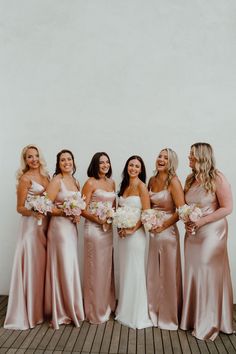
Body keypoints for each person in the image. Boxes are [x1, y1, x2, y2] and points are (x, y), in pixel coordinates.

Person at [180, 142, 234, 341]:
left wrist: (201, 221)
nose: (188, 158)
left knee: (207, 273)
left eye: (191, 155)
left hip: (212, 232)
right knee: (195, 273)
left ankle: (209, 323)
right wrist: (187, 221)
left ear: (201, 157)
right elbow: (188, 206)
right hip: (193, 233)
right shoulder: (190, 179)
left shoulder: (217, 177)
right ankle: (193, 318)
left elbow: (227, 208)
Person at [4, 145, 49, 330]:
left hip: (45, 226)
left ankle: (38, 310)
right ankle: (27, 312)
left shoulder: (47, 177)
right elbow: (20, 207)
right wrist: (34, 211)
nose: (34, 159)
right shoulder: (25, 179)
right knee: (30, 265)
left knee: (40, 266)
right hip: (30, 228)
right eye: (30, 157)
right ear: (25, 160)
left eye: (36, 156)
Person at [44, 149, 84, 329]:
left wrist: (77, 215)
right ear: (58, 164)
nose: (67, 162)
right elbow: (45, 206)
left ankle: (71, 307)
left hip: (71, 229)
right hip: (59, 229)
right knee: (63, 267)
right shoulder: (56, 180)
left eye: (69, 159)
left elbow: (79, 206)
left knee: (70, 266)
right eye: (63, 160)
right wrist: (66, 211)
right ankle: (61, 311)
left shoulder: (75, 181)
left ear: (73, 162)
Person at [147, 148, 184, 330]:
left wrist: (163, 226)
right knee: (154, 273)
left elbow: (181, 211)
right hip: (153, 233)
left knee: (168, 274)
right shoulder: (152, 180)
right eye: (160, 155)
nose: (161, 159)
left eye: (166, 158)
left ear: (171, 162)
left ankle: (169, 315)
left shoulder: (174, 182)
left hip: (168, 232)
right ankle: (153, 310)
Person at [115, 155, 153, 329]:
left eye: (137, 166)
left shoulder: (142, 187)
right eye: (131, 165)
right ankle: (124, 309)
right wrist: (120, 227)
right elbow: (119, 210)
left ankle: (136, 314)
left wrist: (131, 229)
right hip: (123, 235)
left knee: (135, 271)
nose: (133, 169)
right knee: (125, 270)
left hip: (136, 236)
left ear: (141, 170)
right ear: (127, 167)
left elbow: (146, 214)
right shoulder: (123, 186)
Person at [82, 152, 116, 324]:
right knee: (95, 268)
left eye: (107, 162)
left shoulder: (111, 182)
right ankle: (94, 310)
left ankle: (106, 305)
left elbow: (114, 207)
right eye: (101, 162)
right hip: (94, 230)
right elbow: (82, 209)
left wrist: (112, 217)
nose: (105, 165)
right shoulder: (90, 183)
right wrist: (98, 219)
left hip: (107, 230)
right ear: (95, 164)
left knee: (106, 268)